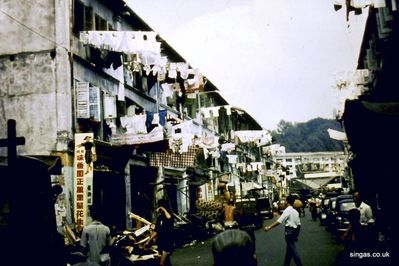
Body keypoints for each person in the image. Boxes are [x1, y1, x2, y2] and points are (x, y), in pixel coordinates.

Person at [264, 194, 302, 266]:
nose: (284, 202)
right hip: (295, 231)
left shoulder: (287, 211)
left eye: (285, 201)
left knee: (293, 250)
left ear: (287, 202)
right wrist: (296, 234)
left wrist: (269, 227)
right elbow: (299, 224)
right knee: (289, 249)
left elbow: (279, 221)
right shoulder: (295, 211)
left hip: (289, 232)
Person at [145, 199, 175, 266]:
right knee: (166, 262)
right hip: (161, 242)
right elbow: (156, 230)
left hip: (168, 242)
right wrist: (148, 240)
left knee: (161, 263)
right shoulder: (160, 218)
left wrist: (164, 209)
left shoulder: (170, 215)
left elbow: (169, 218)